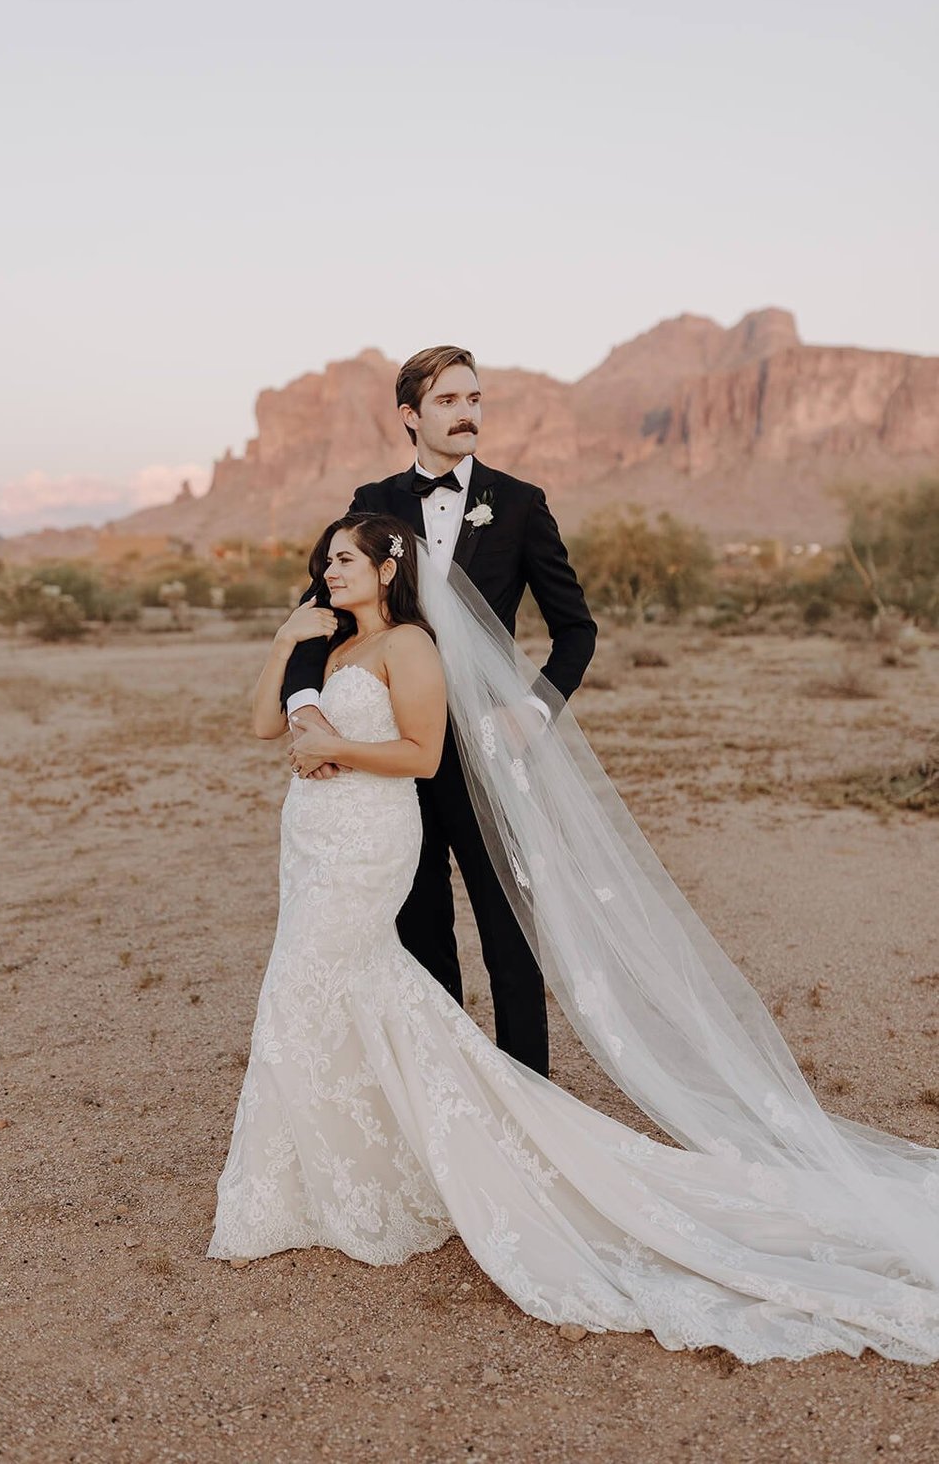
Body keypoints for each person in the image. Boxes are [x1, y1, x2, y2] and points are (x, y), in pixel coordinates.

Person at [207, 515, 939, 1365]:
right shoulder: (327, 653)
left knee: (314, 980)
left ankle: (368, 1169)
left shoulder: (409, 644)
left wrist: (336, 743)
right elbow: (265, 727)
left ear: (385, 568)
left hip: (368, 840)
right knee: (329, 990)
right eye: (321, 562)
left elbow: (422, 752)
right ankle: (341, 1174)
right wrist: (280, 643)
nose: (325, 572)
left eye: (341, 560)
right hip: (310, 840)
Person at [280, 346, 597, 1078]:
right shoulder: (373, 501)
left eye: (475, 399)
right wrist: (305, 708)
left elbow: (576, 628)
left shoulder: (519, 502)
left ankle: (530, 1098)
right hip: (390, 755)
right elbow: (315, 614)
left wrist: (535, 710)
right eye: (450, 400)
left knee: (509, 935)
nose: (467, 413)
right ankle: (447, 1095)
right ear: (410, 416)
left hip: (490, 754)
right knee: (419, 930)